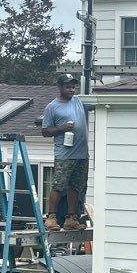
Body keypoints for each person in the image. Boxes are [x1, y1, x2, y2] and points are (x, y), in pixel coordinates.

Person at [41, 73, 88, 231]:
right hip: (64, 154)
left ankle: (71, 219)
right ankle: (51, 218)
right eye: (68, 86)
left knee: (75, 186)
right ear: (60, 87)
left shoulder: (79, 101)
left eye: (73, 87)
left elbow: (97, 104)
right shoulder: (52, 107)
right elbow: (45, 131)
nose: (71, 89)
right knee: (58, 185)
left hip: (82, 153)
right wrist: (62, 128)